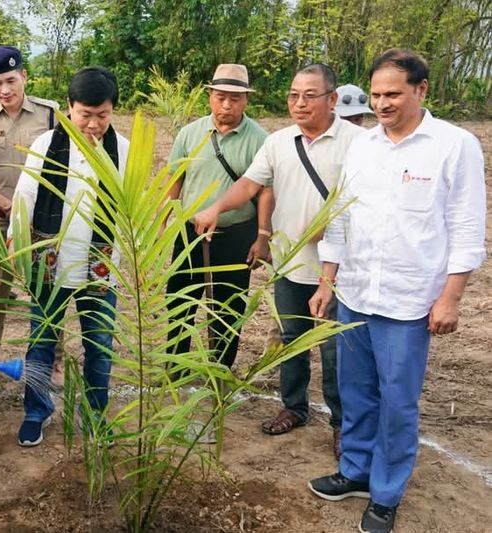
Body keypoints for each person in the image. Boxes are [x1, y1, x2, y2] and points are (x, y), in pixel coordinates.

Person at [307, 49, 486, 533]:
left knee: (398, 402)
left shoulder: (454, 145)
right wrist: (328, 281)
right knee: (356, 392)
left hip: (409, 302)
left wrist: (451, 297)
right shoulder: (364, 147)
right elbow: (340, 217)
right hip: (355, 294)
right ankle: (356, 472)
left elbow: (467, 228)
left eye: (393, 94)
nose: (383, 104)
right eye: (378, 95)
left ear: (421, 90)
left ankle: (386, 493)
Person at [193, 64, 365, 457]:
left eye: (310, 95)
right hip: (291, 261)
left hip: (340, 267)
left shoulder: (359, 142)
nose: (299, 103)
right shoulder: (279, 142)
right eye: (293, 95)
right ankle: (294, 407)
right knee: (291, 339)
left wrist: (338, 224)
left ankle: (342, 425)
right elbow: (251, 185)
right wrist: (217, 207)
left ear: (332, 99)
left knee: (335, 348)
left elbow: (369, 199)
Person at [12, 67, 129, 446]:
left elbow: (131, 210)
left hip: (101, 266)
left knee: (99, 346)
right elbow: (25, 198)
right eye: (85, 114)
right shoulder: (47, 144)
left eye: (103, 115)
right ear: (69, 108)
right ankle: (36, 410)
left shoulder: (124, 151)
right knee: (42, 341)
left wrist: (132, 260)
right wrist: (17, 242)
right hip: (51, 264)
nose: (94, 124)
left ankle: (95, 416)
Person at [166, 64, 270, 374]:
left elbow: (266, 191)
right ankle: (177, 367)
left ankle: (220, 369)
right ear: (210, 96)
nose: (227, 105)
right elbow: (175, 181)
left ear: (246, 101)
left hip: (236, 234)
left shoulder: (259, 139)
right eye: (221, 97)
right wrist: (160, 223)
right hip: (191, 233)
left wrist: (262, 236)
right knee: (179, 301)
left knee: (228, 306)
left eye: (235, 99)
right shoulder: (190, 133)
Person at [0, 45, 60, 393]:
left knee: (47, 294)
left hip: (41, 223)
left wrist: (30, 205)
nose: (5, 90)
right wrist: (2, 201)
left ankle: (53, 362)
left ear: (24, 76)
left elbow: (60, 167)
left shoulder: (49, 115)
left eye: (10, 80)